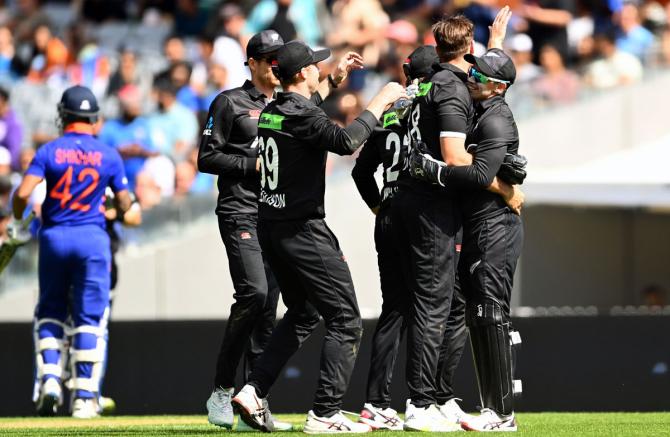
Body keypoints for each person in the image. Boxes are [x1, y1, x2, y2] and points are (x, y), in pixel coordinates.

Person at [230, 40, 405, 433]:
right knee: (345, 320)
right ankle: (325, 413)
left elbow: (304, 114)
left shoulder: (273, 109)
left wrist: (335, 80)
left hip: (272, 228)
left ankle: (254, 389)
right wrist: (378, 101)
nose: (319, 68)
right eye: (315, 65)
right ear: (303, 73)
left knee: (306, 312)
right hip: (303, 230)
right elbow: (345, 141)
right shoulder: (300, 115)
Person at [197, 29, 364, 430]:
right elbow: (207, 156)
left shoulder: (281, 104)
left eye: (279, 57)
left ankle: (255, 397)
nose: (274, 63)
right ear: (253, 63)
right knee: (254, 294)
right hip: (242, 210)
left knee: (275, 306)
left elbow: (309, 112)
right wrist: (249, 165)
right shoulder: (229, 102)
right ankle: (222, 389)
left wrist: (334, 77)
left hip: (274, 213)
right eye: (268, 57)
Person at [391, 13, 521, 432]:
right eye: (473, 67)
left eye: (480, 75)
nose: (473, 77)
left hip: (492, 223)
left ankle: (496, 412)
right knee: (457, 308)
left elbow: (476, 172)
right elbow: (479, 70)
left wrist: (443, 174)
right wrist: (496, 39)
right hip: (464, 217)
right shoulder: (471, 93)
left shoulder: (490, 111)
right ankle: (435, 400)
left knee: (484, 311)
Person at [11, 85, 132, 418]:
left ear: (62, 116)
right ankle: (82, 396)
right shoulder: (108, 154)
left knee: (50, 311)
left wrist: (20, 214)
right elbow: (124, 203)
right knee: (89, 318)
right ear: (94, 119)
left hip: (54, 237)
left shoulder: (48, 151)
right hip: (93, 241)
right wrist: (118, 208)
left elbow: (23, 192)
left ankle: (50, 379)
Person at [350, 45, 438, 431]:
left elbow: (359, 172)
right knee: (427, 307)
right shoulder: (431, 104)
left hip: (387, 214)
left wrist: (377, 206)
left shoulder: (390, 111)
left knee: (394, 310)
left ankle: (375, 402)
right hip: (419, 213)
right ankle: (422, 400)